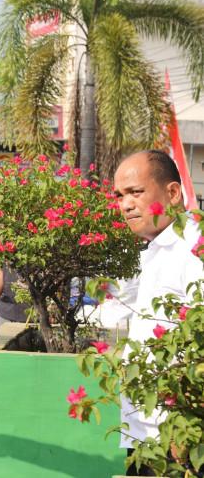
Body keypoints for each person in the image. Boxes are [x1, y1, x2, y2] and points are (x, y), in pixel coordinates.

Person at [110, 150, 204, 476]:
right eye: (120, 196)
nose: (125, 204)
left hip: (178, 437)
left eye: (136, 192)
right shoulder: (157, 247)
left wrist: (186, 425)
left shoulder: (195, 249)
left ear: (173, 193)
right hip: (145, 433)